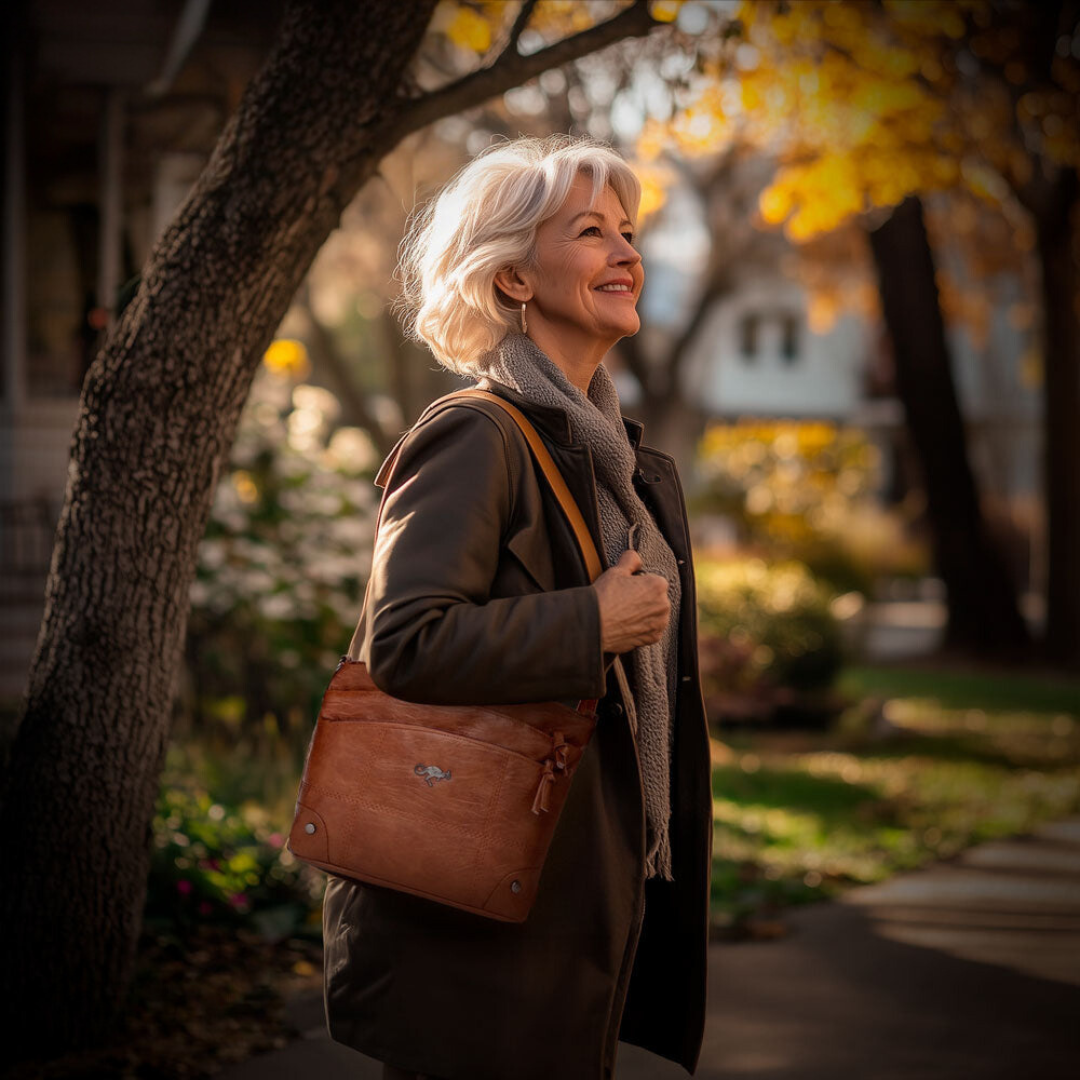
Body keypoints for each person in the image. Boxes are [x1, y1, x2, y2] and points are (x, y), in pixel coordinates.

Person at [321, 134, 713, 1080]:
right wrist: (590, 624)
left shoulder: (616, 463)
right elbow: (406, 646)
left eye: (628, 229)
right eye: (591, 231)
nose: (628, 252)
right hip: (481, 914)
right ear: (513, 280)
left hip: (573, 892)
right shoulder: (475, 436)